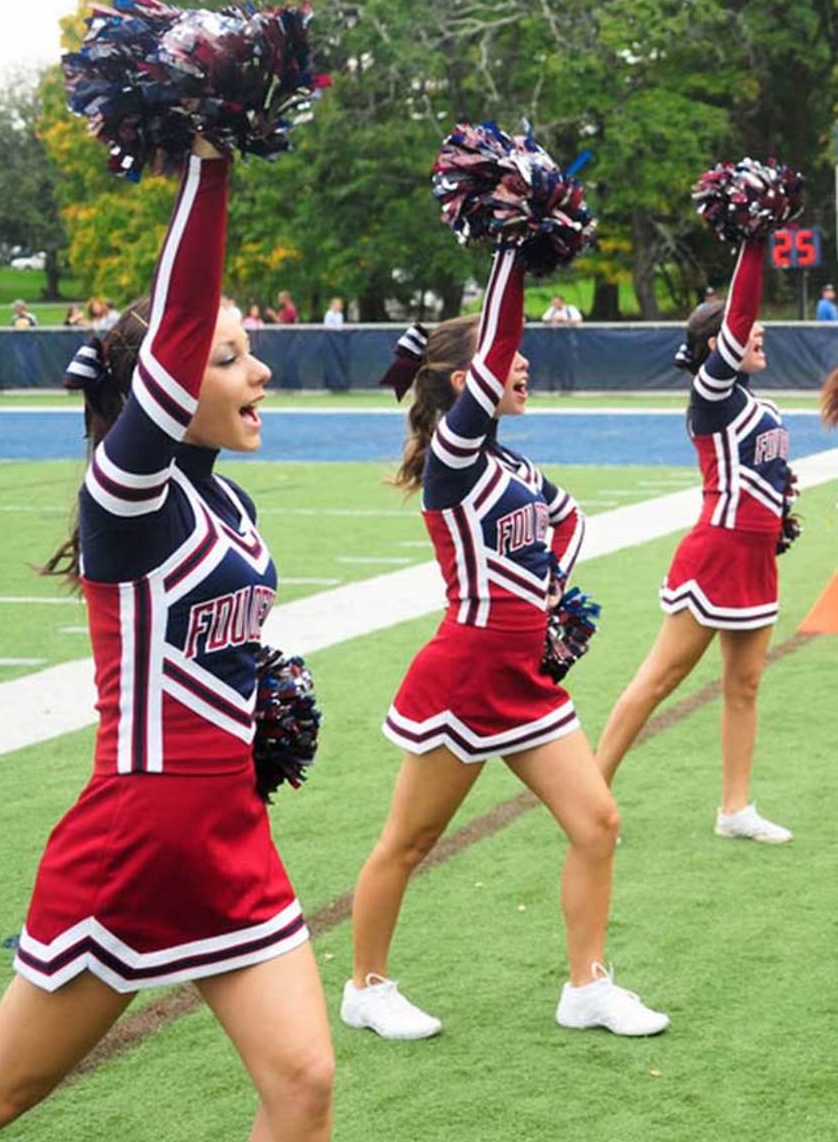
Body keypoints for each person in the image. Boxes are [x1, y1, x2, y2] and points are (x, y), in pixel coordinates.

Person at [0, 138, 334, 1142]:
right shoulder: (125, 500)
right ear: (164, 386)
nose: (257, 370)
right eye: (230, 357)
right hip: (135, 840)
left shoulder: (224, 496)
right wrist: (211, 168)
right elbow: (179, 328)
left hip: (229, 833)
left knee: (304, 1082)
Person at [341, 247, 669, 1043]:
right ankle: (365, 987)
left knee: (597, 823)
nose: (522, 366)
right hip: (463, 678)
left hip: (525, 677)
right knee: (409, 841)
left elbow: (570, 518)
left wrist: (549, 586)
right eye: (508, 359)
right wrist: (512, 246)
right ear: (466, 384)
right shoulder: (454, 460)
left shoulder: (510, 462)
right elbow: (497, 350)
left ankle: (586, 986)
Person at [595, 235, 795, 843]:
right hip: (716, 554)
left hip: (756, 558)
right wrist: (755, 240)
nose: (760, 336)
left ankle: (735, 809)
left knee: (745, 684)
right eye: (749, 333)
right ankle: (590, 793)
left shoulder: (754, 403)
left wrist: (782, 506)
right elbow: (740, 313)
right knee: (659, 678)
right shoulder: (712, 396)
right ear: (719, 347)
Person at [541, 294, 581, 392]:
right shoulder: (552, 310)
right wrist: (553, 320)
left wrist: (565, 320)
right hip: (555, 338)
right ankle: (553, 385)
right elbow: (544, 318)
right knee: (554, 362)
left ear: (562, 302)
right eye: (553, 302)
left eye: (557, 302)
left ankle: (570, 385)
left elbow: (578, 320)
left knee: (569, 362)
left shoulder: (570, 309)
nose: (555, 304)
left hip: (567, 338)